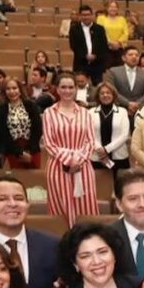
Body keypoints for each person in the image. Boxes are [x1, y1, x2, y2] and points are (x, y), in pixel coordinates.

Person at [42, 73, 99, 226]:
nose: (67, 91)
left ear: (75, 89)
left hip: (83, 167)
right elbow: (49, 143)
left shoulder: (85, 113)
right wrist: (69, 159)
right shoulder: (49, 113)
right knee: (61, 209)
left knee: (85, 208)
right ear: (57, 90)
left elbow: (90, 141)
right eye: (63, 87)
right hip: (58, 167)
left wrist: (78, 160)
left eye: (70, 87)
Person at [0, 77, 43, 170]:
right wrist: (19, 153)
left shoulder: (30, 105)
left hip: (32, 149)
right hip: (13, 150)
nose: (12, 91)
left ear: (20, 90)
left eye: (14, 88)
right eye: (8, 89)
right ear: (4, 92)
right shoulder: (2, 109)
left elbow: (37, 129)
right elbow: (3, 134)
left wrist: (29, 152)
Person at [89, 82, 131, 175]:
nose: (105, 95)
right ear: (98, 96)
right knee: (99, 186)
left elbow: (124, 135)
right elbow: (88, 133)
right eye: (102, 93)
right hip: (97, 156)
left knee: (121, 186)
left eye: (108, 92)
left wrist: (107, 149)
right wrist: (100, 149)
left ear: (113, 95)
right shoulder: (91, 112)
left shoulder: (122, 111)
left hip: (119, 157)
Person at [107, 46, 144, 115]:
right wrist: (127, 103)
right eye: (130, 55)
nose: (134, 57)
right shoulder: (113, 71)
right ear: (123, 58)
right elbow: (112, 91)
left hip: (140, 110)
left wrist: (137, 104)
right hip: (119, 109)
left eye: (136, 55)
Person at [70, 5, 110, 85]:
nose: (86, 17)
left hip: (97, 64)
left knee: (98, 87)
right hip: (81, 63)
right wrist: (85, 56)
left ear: (92, 15)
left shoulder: (100, 29)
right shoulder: (74, 29)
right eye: (83, 15)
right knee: (81, 88)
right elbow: (74, 46)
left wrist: (95, 56)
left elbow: (103, 45)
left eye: (88, 14)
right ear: (80, 16)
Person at [99, 1, 130, 68]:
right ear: (107, 8)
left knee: (120, 70)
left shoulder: (122, 19)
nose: (113, 9)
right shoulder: (101, 18)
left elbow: (126, 33)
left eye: (115, 7)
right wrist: (110, 42)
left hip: (119, 48)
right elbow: (101, 32)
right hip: (106, 48)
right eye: (111, 7)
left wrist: (118, 43)